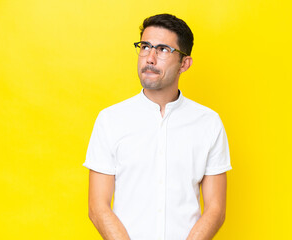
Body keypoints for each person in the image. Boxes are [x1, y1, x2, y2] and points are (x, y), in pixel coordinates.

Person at [83, 13, 232, 240]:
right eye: (145, 47)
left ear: (185, 63)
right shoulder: (110, 120)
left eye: (163, 49)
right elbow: (97, 207)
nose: (149, 58)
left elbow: (216, 209)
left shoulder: (208, 123)